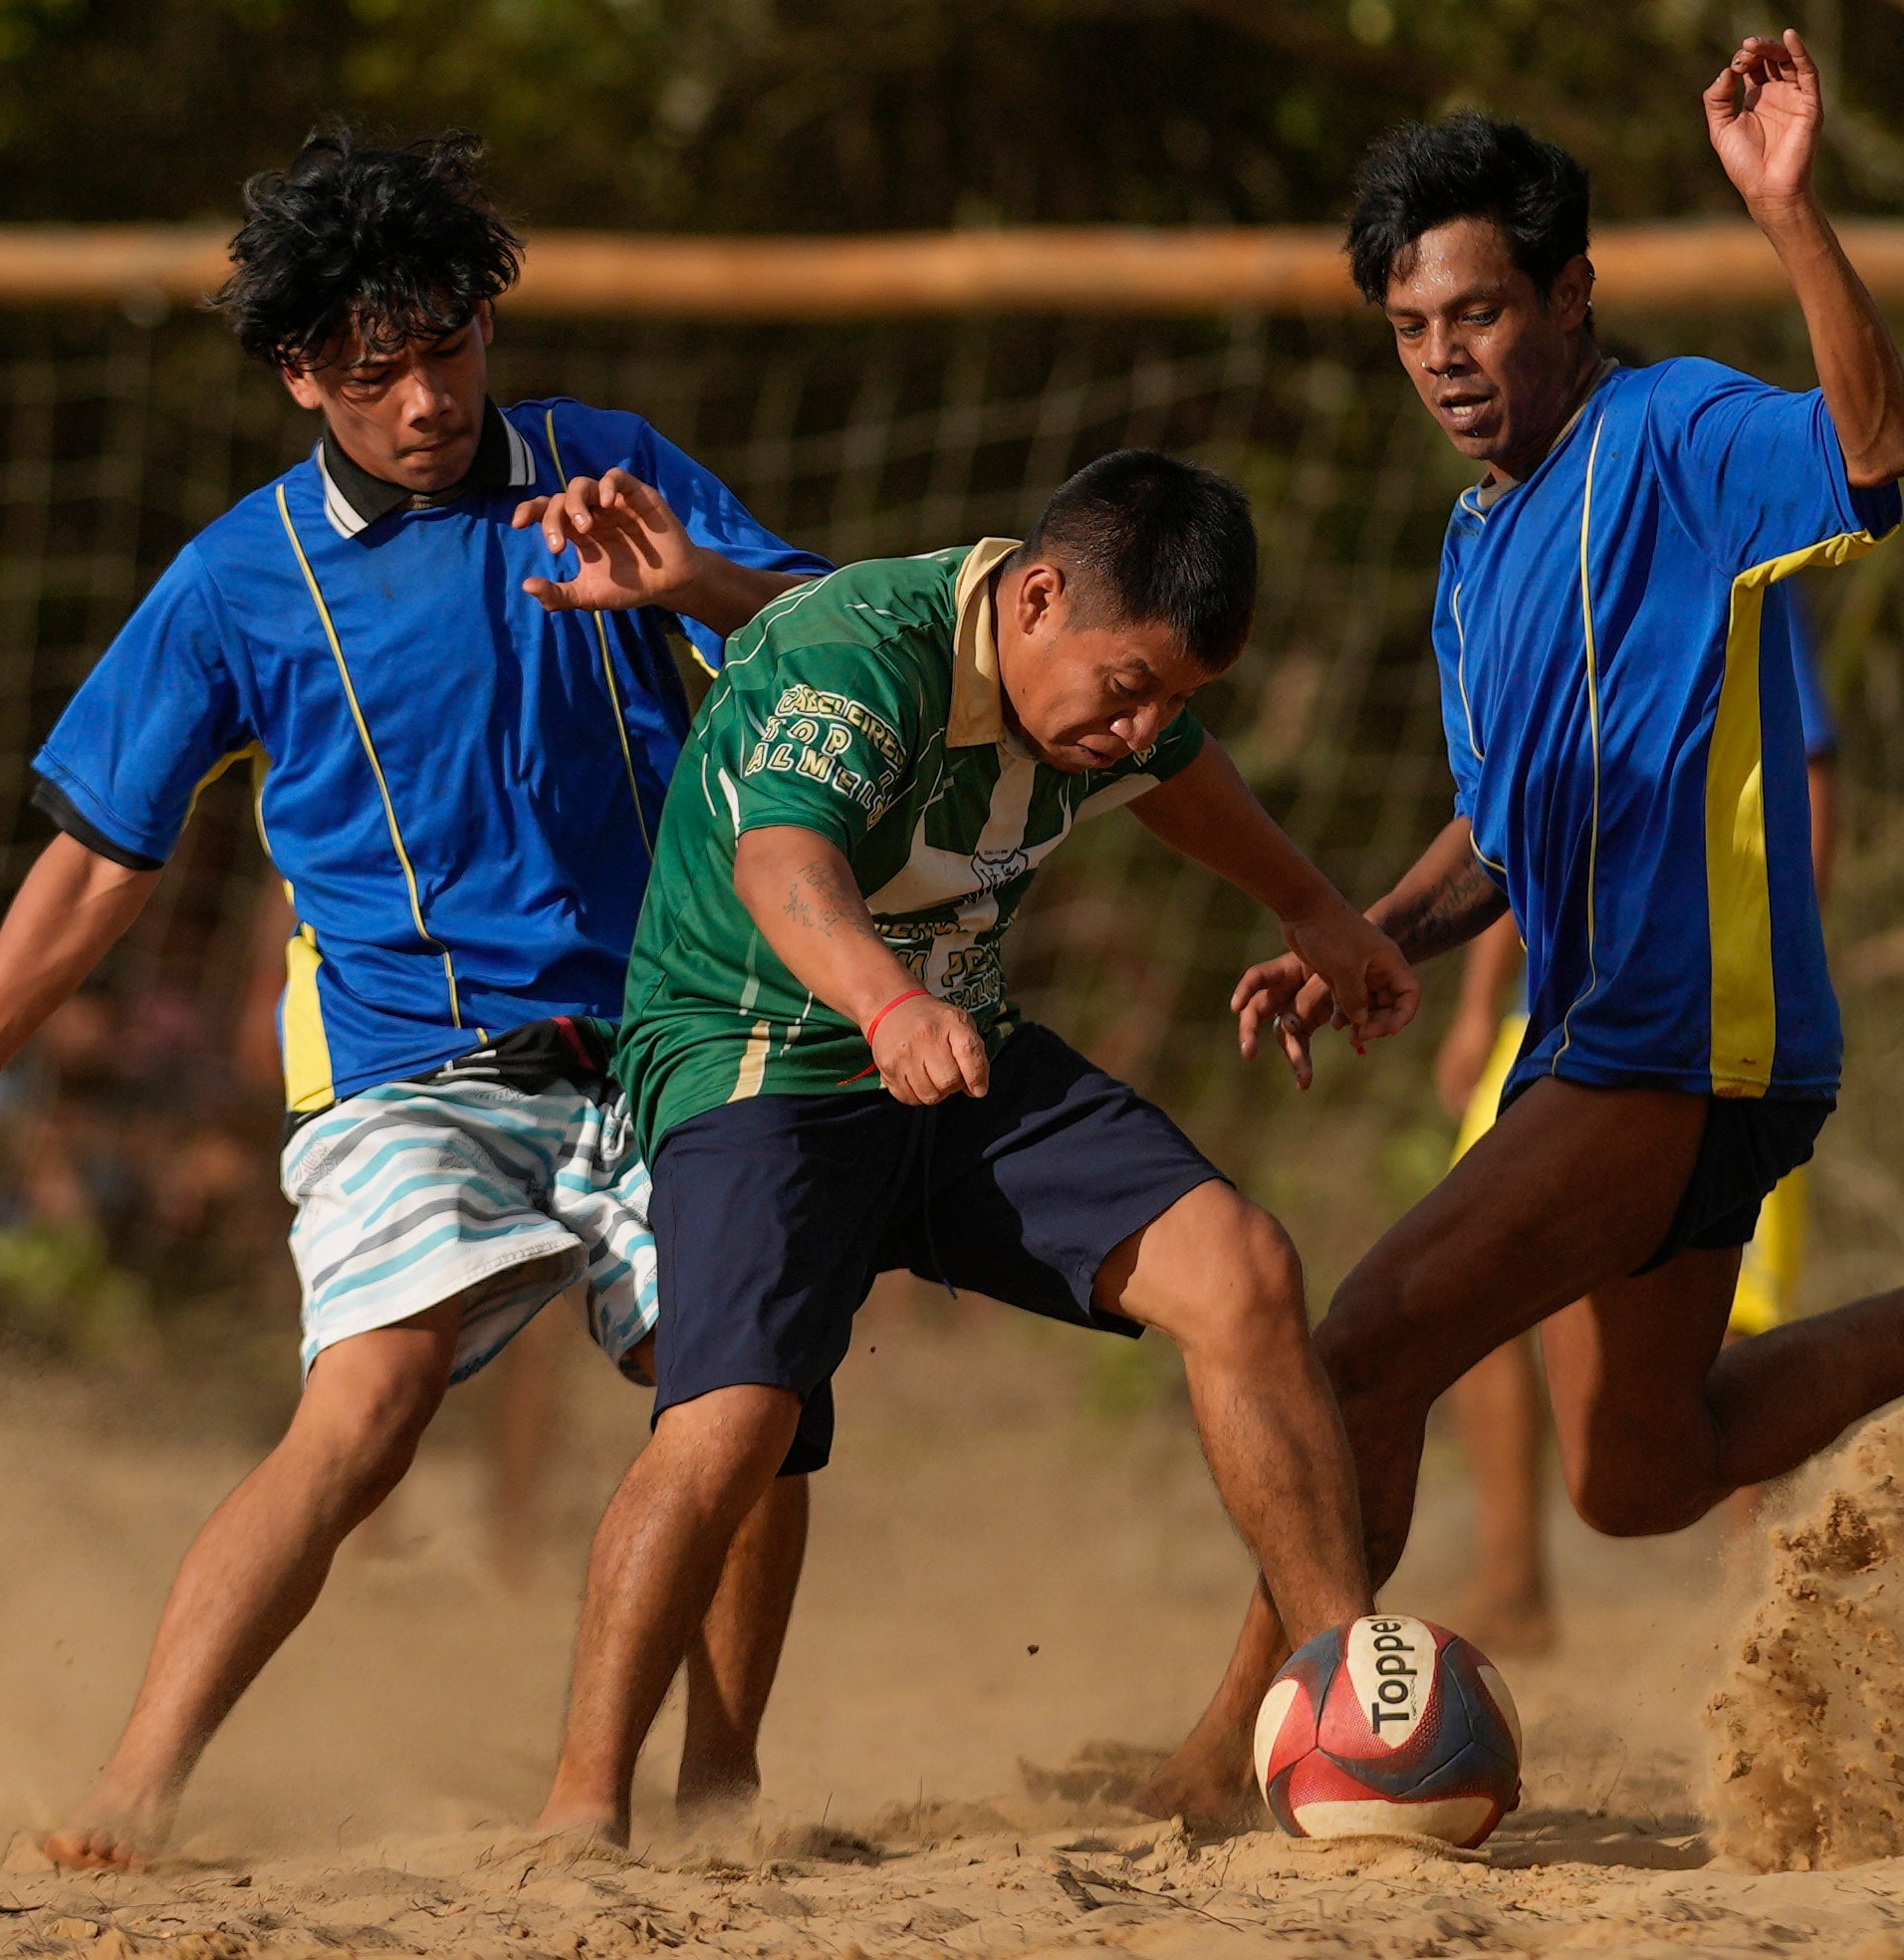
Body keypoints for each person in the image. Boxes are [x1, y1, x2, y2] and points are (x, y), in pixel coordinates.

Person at [1131, 34, 1904, 1827]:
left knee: (1362, 1349)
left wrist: (1786, 212)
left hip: (1681, 1039)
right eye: (1411, 326)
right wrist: (1365, 931)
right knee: (1638, 1474)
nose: (1444, 356)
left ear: (1569, 294)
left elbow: (1881, 448)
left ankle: (1243, 1753)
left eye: (1478, 312)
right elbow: (1498, 827)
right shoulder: (1475, 544)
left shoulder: (1673, 432)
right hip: (1610, 1045)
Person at [0, 122, 832, 1866]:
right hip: (408, 1070)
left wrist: (695, 580)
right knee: (368, 1404)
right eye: (372, 368)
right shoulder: (232, 582)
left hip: (664, 1038)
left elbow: (834, 645)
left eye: (448, 348)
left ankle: (720, 1791)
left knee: (747, 1395)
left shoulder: (608, 466)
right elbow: (100, 861)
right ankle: (133, 1787)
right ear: (297, 376)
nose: (424, 398)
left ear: (488, 322)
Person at [526, 451, 1416, 1844]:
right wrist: (886, 1005)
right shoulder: (862, 655)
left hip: (958, 1048)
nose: (1143, 727)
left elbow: (1181, 777)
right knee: (739, 1421)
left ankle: (1349, 1702)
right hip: (757, 1050)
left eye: (1178, 697)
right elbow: (783, 863)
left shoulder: (1102, 686)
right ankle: (584, 1814)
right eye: (1132, 687)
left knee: (1243, 1271)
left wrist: (1313, 907)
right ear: (1040, 597)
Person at [1429, 587, 1841, 1650]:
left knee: (1737, 1318)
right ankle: (1513, 1584)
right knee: (1458, 1287)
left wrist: (1776, 955)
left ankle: (1764, 1615)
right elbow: (1520, 816)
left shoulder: (1734, 563)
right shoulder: (1525, 573)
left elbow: (1807, 772)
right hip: (1550, 1021)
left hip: (1717, 1015)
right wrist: (1476, 1007)